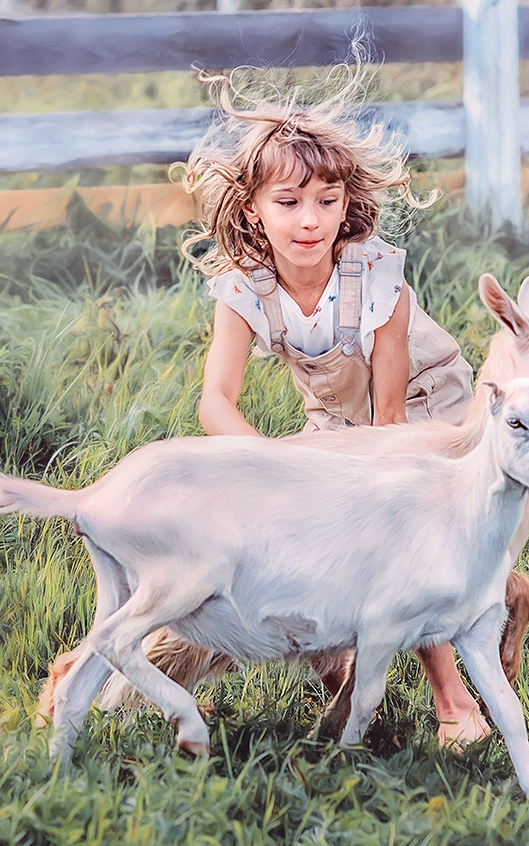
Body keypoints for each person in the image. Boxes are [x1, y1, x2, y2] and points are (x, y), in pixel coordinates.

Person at [179, 63, 490, 747]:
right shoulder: (245, 289)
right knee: (311, 534)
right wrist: (263, 467)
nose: (310, 220)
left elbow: (388, 421)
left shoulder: (376, 275)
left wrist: (354, 486)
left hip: (420, 406)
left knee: (402, 534)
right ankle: (348, 691)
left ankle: (453, 703)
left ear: (347, 204)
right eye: (288, 203)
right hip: (337, 422)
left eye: (326, 201)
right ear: (252, 209)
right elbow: (215, 398)